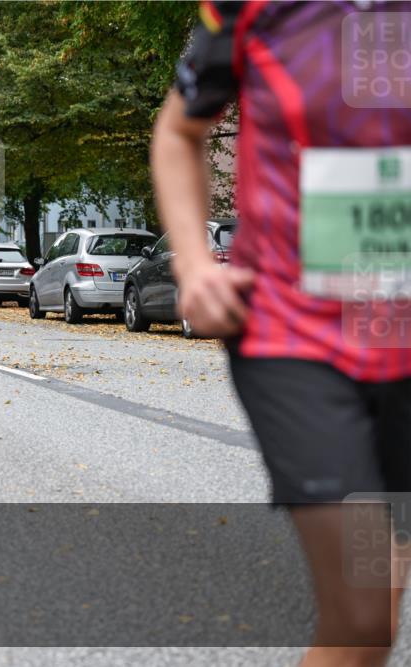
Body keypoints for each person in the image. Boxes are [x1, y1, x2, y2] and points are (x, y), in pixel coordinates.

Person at [152, 3, 410, 665]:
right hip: (295, 335)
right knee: (363, 608)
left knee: (377, 614)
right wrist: (193, 264)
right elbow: (180, 132)